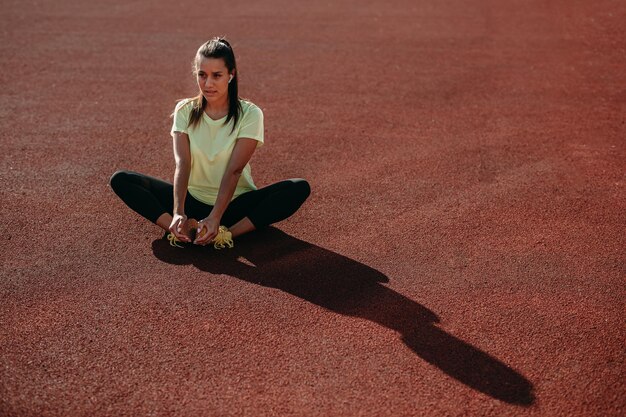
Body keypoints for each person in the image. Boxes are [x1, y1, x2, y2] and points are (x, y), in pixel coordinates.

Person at [110, 37, 310, 248]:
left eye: (217, 75)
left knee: (298, 188)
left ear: (231, 75)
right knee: (122, 179)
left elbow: (234, 170)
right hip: (192, 201)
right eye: (202, 75)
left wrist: (215, 217)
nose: (208, 83)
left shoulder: (250, 114)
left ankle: (226, 234)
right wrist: (178, 212)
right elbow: (183, 164)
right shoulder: (185, 110)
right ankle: (178, 228)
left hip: (233, 205)